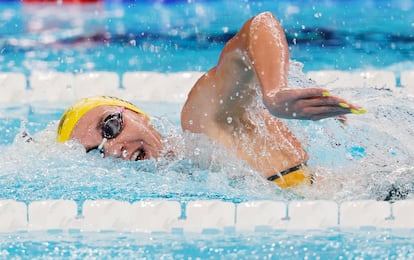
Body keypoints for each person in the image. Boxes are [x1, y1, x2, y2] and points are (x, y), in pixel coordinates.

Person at [56, 12, 365, 189]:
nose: (112, 148)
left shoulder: (202, 124)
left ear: (138, 114)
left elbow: (260, 25)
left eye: (110, 126)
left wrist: (275, 94)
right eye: (95, 153)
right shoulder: (178, 185)